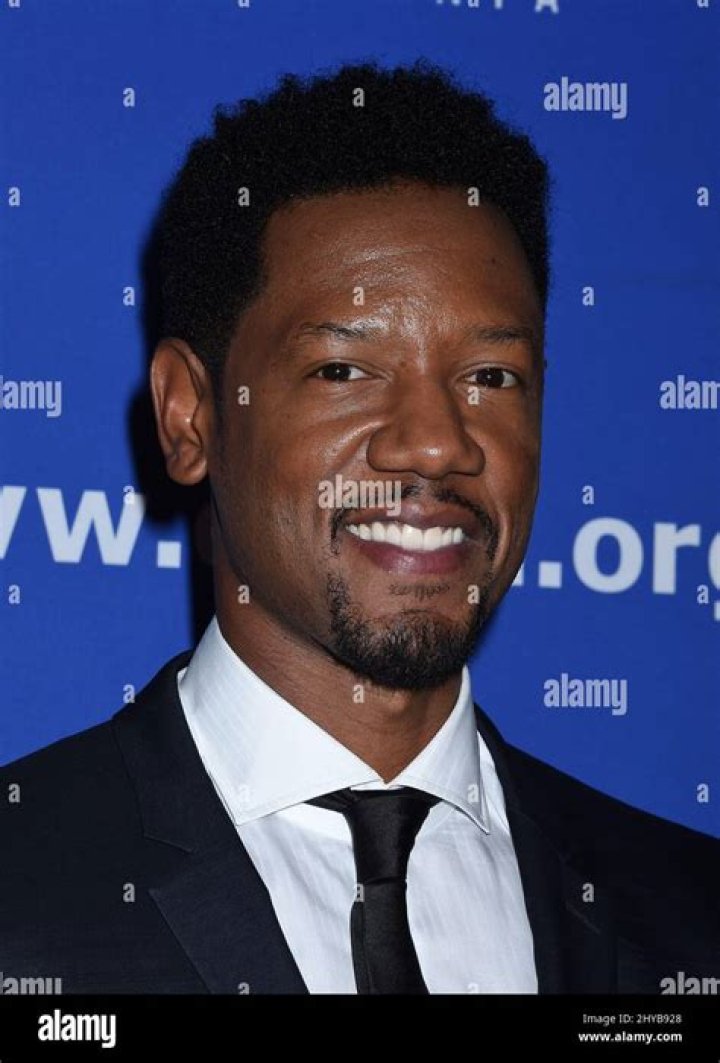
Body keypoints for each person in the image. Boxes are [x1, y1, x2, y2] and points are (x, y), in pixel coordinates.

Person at [1, 60, 718, 995]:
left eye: (491, 377)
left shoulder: (692, 917)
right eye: (344, 370)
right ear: (191, 416)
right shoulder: (22, 889)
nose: (437, 443)